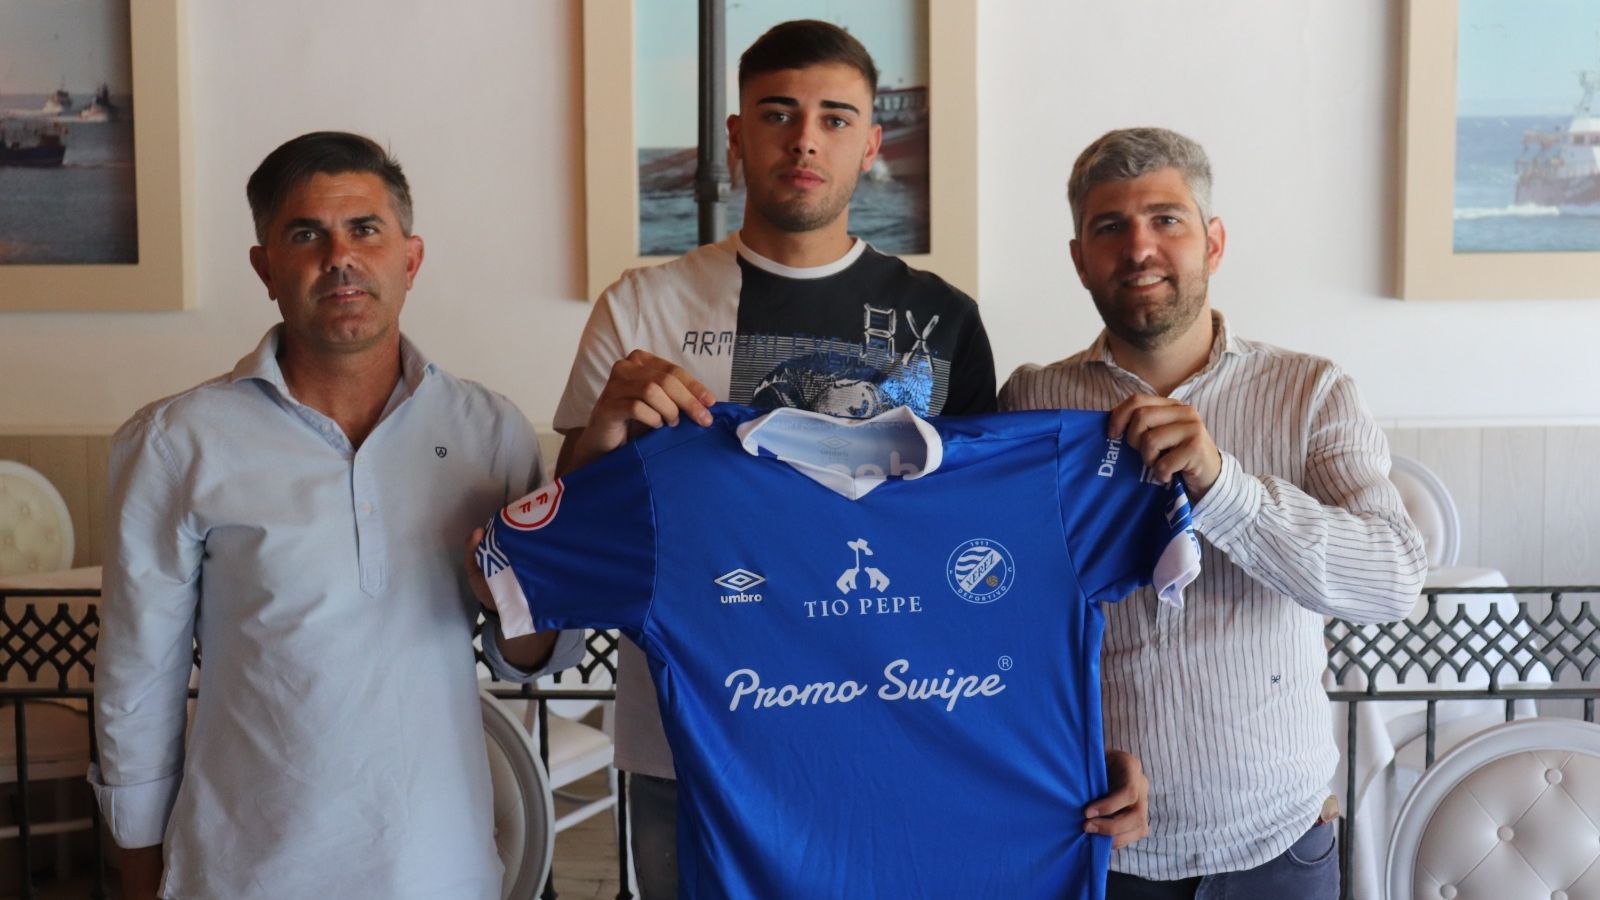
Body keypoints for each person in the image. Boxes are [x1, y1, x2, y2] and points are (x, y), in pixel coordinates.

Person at [547, 20, 1147, 897]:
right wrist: (604, 426)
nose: (803, 140)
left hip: (906, 741)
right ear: (735, 137)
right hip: (695, 749)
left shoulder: (941, 316)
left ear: (871, 145)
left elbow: (991, 558)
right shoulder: (640, 307)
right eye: (778, 114)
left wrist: (1079, 739)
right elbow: (569, 519)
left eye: (835, 119)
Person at [89, 131, 583, 900]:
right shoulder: (177, 442)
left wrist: (517, 599)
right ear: (265, 268)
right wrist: (138, 859)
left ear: (410, 260)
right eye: (305, 234)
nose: (339, 257)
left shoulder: (490, 431)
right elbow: (136, 676)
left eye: (365, 230)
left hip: (442, 863)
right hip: (244, 869)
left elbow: (533, 655)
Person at [1000, 127, 1427, 899]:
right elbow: (1008, 620)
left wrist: (1223, 484)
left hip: (1279, 847)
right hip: (1097, 844)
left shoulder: (1311, 394)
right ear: (1079, 259)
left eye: (1167, 219)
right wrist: (1076, 754)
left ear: (1214, 241)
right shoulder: (1031, 403)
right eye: (1110, 227)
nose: (1139, 248)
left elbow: (1393, 580)